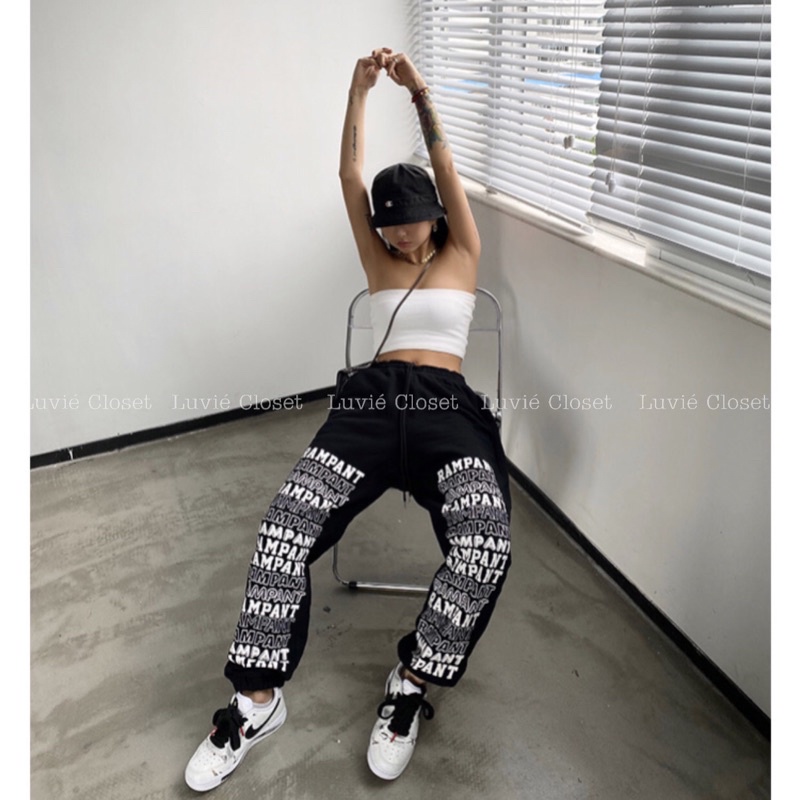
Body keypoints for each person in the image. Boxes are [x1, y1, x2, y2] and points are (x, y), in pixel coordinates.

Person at [184, 48, 512, 791]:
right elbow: (347, 176)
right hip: (371, 401)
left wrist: (417, 90)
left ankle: (411, 681)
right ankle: (257, 701)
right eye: (387, 225)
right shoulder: (377, 258)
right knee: (284, 529)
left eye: (410, 221)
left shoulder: (463, 251)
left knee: (486, 540)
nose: (398, 235)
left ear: (435, 212)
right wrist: (358, 91)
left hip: (445, 406)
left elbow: (444, 161)